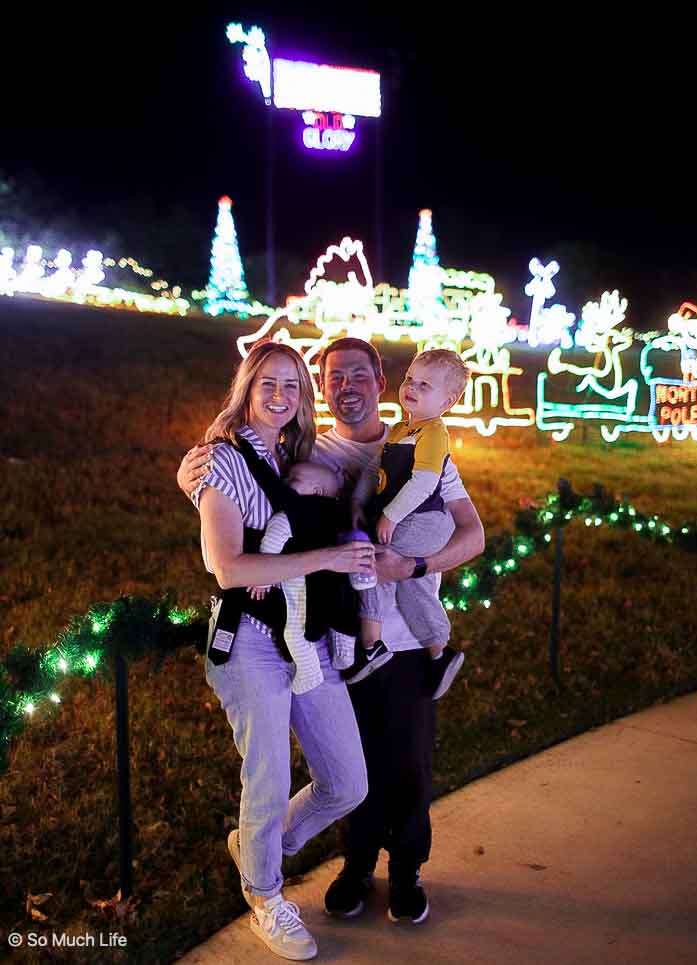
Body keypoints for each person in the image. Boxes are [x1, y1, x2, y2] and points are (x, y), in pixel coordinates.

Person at [178, 337, 484, 927]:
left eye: (357, 375)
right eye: (332, 377)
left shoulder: (420, 447)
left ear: (379, 380)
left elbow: (473, 537)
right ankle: (355, 868)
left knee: (408, 768)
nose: (346, 387)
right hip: (339, 642)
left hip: (403, 640)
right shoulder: (308, 452)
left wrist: (413, 566)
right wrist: (190, 474)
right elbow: (248, 489)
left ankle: (406, 874)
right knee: (350, 769)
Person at [194, 340, 373, 960]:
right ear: (246, 387)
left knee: (347, 781)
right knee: (267, 778)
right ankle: (266, 895)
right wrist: (328, 556)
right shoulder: (220, 460)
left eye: (292, 386)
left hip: (309, 637)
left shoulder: (297, 455)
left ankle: (258, 843)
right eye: (267, 383)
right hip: (248, 639)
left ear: (303, 399)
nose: (278, 395)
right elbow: (227, 566)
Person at [346, 349, 470, 700]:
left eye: (424, 385)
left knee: (372, 559)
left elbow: (424, 483)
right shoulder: (403, 429)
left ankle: (371, 644)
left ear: (448, 400)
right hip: (412, 518)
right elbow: (375, 470)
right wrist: (358, 499)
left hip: (426, 519)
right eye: (409, 380)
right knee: (408, 582)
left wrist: (389, 516)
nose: (411, 388)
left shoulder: (433, 433)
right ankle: (438, 651)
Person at [247, 460, 359, 694]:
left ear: (316, 491)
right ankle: (345, 653)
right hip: (336, 582)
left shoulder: (295, 511)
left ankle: (309, 671)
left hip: (303, 584)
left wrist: (264, 577)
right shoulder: (338, 513)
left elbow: (274, 538)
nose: (286, 482)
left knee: (295, 629)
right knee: (341, 613)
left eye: (293, 479)